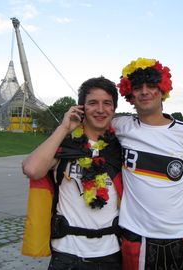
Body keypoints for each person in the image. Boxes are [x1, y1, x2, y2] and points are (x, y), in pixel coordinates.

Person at [112, 57, 183, 269]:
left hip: (182, 236)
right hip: (136, 237)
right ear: (130, 94)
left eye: (151, 86)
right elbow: (91, 120)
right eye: (137, 87)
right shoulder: (120, 126)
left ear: (162, 89)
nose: (145, 91)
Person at [22, 76, 123, 270]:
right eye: (92, 103)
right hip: (67, 255)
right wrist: (64, 128)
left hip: (111, 253)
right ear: (81, 108)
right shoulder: (65, 146)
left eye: (107, 103)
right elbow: (32, 169)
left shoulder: (120, 150)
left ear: (114, 109)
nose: (100, 109)